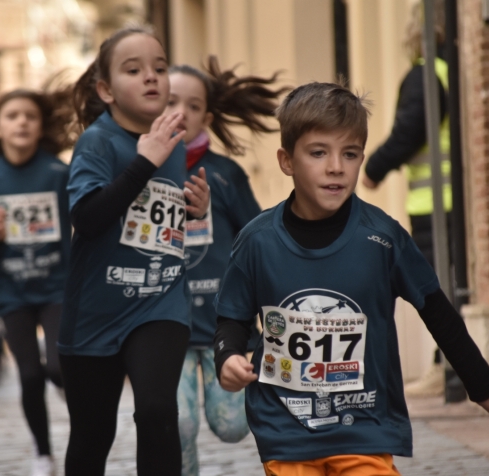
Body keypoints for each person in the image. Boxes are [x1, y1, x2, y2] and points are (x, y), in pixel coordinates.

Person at [213, 82, 489, 476]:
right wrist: (228, 356)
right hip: (286, 429)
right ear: (287, 161)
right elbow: (233, 316)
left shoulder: (382, 238)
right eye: (318, 153)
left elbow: (434, 307)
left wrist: (479, 380)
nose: (336, 167)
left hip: (364, 425)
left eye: (349, 154)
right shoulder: (256, 242)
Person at [60, 26, 210, 476]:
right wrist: (143, 162)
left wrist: (193, 210)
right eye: (134, 69)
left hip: (159, 302)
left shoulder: (173, 142)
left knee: (158, 411)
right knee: (92, 437)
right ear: (105, 90)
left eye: (159, 68)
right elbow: (86, 219)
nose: (151, 78)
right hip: (95, 313)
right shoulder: (97, 142)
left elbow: (153, 221)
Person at [165, 57, 288, 475]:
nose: (181, 113)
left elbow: (257, 237)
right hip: (167, 326)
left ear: (209, 117)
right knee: (178, 424)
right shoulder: (139, 171)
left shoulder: (224, 174)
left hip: (223, 322)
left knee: (233, 426)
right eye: (169, 101)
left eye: (194, 106)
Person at [0, 87, 75, 476]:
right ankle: (42, 453)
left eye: (30, 115)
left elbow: (87, 221)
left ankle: (62, 383)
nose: (22, 121)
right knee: (29, 375)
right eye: (12, 116)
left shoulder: (59, 172)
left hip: (58, 288)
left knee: (59, 368)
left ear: (41, 125)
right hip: (13, 294)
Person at [362, 0, 450, 397]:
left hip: (436, 202)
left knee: (436, 287)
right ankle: (444, 365)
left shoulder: (425, 74)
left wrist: (374, 167)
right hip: (442, 200)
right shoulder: (446, 71)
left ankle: (446, 368)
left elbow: (408, 130)